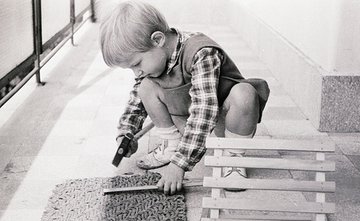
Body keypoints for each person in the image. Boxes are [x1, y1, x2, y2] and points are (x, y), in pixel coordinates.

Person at [100, 0, 269, 195]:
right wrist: (126, 131)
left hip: (222, 116)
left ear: (157, 40)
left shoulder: (202, 53)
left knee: (245, 94)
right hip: (188, 118)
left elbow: (204, 112)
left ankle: (233, 158)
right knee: (145, 86)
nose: (136, 73)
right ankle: (172, 146)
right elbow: (136, 101)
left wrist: (180, 165)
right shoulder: (153, 63)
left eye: (137, 64)